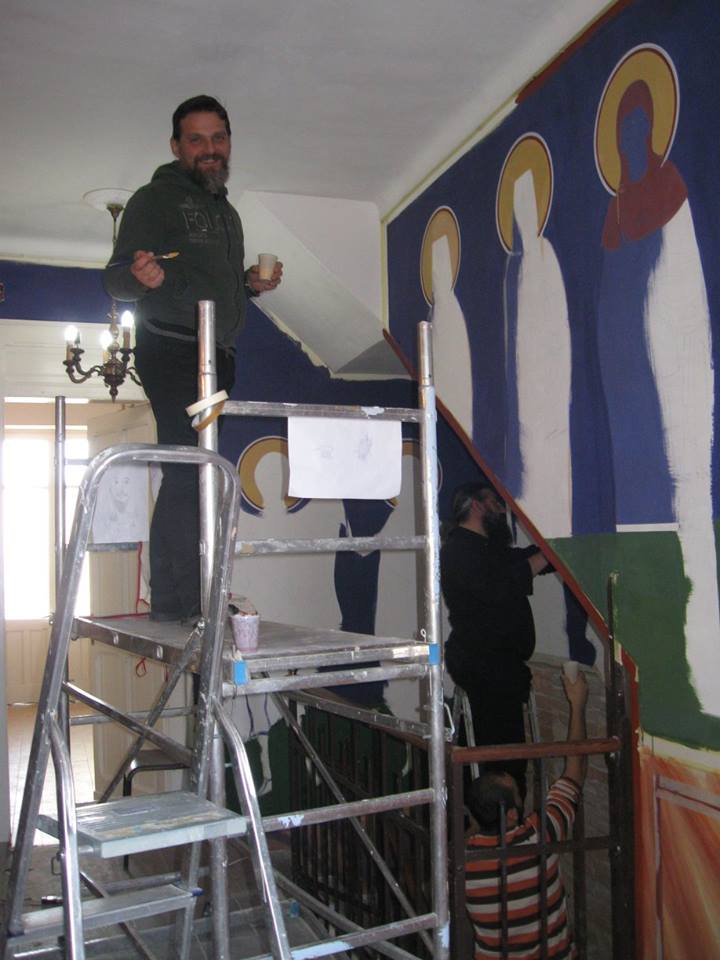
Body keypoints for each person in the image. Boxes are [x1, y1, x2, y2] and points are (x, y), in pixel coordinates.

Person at [104, 95, 282, 621]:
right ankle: (184, 602)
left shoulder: (227, 213)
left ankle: (182, 597)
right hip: (174, 346)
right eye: (197, 139)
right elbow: (115, 278)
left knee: (197, 471)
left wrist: (246, 285)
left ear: (229, 143)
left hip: (216, 352)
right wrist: (138, 276)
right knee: (190, 470)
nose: (210, 149)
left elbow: (209, 284)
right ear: (176, 146)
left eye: (218, 138)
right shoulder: (154, 200)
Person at [465, 669, 589, 959]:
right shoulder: (538, 836)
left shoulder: (463, 863)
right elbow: (575, 771)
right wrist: (577, 704)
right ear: (510, 816)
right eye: (518, 794)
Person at [440, 482, 549, 799]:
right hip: (484, 666)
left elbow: (519, 561)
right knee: (502, 758)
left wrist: (555, 551)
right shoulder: (458, 550)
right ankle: (500, 816)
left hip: (497, 666)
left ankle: (495, 814)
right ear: (476, 505)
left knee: (500, 751)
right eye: (495, 502)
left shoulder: (486, 549)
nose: (502, 510)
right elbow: (499, 585)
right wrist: (545, 556)